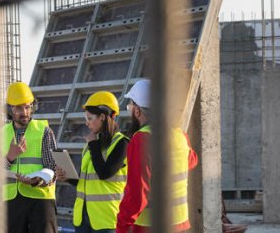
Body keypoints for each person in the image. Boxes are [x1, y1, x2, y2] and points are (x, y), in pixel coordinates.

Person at [116, 79, 198, 233]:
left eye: (130, 106)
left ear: (138, 111)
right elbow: (192, 161)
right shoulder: (179, 135)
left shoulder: (142, 139)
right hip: (180, 223)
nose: (130, 111)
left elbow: (137, 195)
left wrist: (122, 225)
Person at [0, 81, 58, 233]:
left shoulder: (44, 131)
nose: (24, 112)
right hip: (11, 202)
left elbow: (53, 167)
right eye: (18, 108)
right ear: (10, 109)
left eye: (27, 106)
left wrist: (38, 180)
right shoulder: (1, 134)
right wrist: (9, 157)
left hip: (40, 201)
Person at [55, 91, 129, 233]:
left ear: (102, 117)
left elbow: (104, 173)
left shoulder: (122, 143)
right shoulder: (92, 144)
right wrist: (69, 178)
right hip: (83, 218)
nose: (86, 122)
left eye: (89, 118)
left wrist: (93, 145)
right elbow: (88, 182)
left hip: (105, 220)